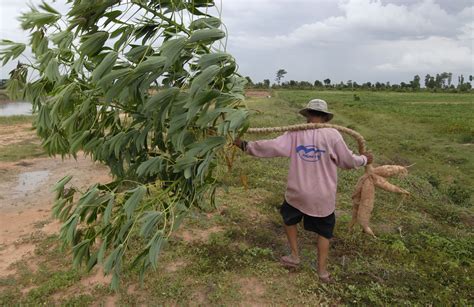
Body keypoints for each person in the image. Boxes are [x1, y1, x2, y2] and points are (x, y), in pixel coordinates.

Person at [234, 98, 373, 283]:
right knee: (324, 233)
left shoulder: (296, 133)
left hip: (297, 193)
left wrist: (244, 145)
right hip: (322, 197)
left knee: (289, 219)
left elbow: (273, 146)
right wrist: (364, 159)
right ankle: (322, 272)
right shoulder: (333, 135)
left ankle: (294, 256)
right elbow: (347, 161)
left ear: (307, 115)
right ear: (326, 117)